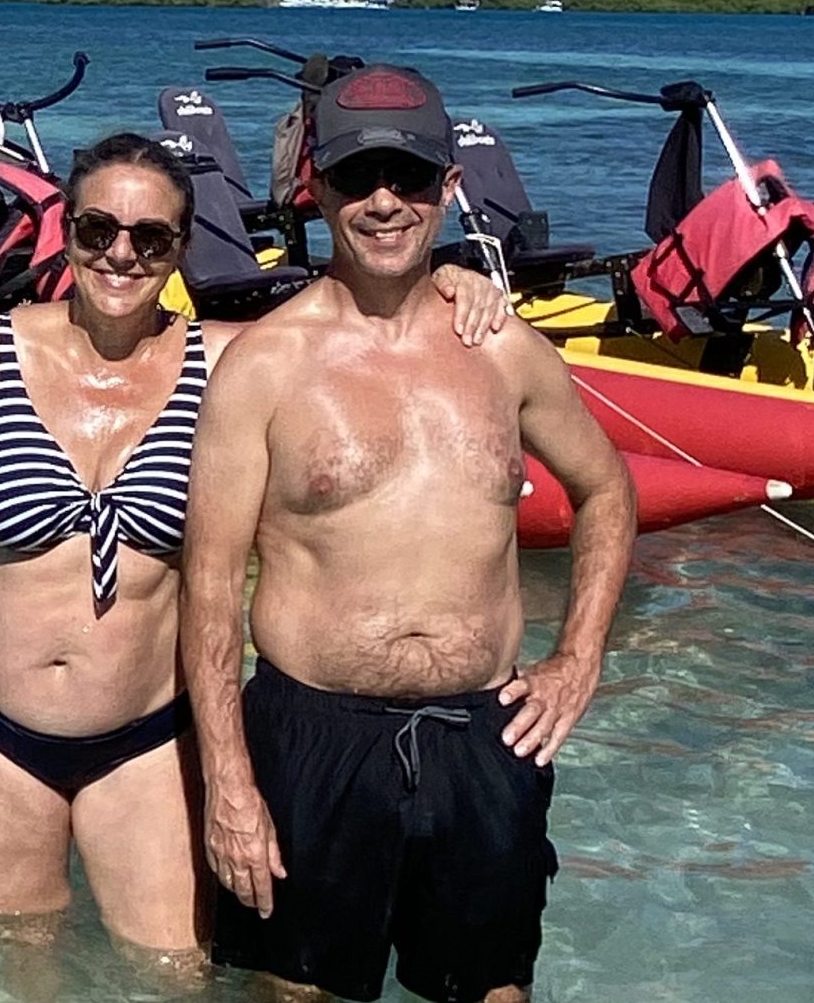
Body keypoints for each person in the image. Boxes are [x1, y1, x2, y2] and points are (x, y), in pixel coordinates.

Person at [0, 129, 510, 982]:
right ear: (67, 230)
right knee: (27, 959)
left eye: (151, 239)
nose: (120, 257)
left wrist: (450, 278)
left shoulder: (225, 362)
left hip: (148, 735)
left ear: (181, 248)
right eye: (97, 230)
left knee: (181, 969)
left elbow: (350, 310)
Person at [182, 66, 638, 1003]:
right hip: (312, 735)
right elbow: (211, 586)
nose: (385, 202)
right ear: (317, 188)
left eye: (412, 176)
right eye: (358, 178)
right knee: (297, 991)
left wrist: (580, 658)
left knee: (493, 992)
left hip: (486, 733)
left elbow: (607, 491)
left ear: (449, 186)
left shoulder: (502, 346)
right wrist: (229, 781)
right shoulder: (265, 364)